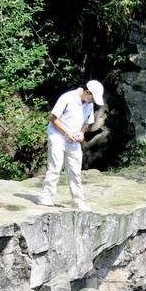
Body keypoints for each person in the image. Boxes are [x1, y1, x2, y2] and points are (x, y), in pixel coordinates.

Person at [39, 79, 105, 209]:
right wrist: (67, 132)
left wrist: (82, 133)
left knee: (75, 171)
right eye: (93, 98)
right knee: (55, 167)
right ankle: (46, 197)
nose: (93, 101)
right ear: (87, 92)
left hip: (73, 139)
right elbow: (53, 118)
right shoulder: (67, 98)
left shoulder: (88, 104)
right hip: (57, 136)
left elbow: (87, 123)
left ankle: (77, 201)